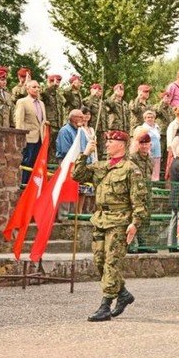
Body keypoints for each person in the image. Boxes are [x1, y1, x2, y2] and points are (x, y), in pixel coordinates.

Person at [72, 130, 146, 322]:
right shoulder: (101, 166)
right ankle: (122, 293)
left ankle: (105, 305)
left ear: (121, 144)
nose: (106, 145)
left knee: (112, 263)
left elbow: (139, 201)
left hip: (120, 222)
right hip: (101, 219)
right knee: (99, 261)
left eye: (110, 141)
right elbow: (76, 175)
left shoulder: (131, 169)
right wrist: (85, 153)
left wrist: (135, 224)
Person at [14, 79, 47, 184]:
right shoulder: (22, 102)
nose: (37, 89)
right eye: (34, 87)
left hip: (40, 138)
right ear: (27, 89)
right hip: (28, 139)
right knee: (26, 163)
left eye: (38, 87)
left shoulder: (41, 103)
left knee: (36, 164)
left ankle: (31, 188)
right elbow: (19, 121)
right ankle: (22, 185)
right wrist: (20, 138)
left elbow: (42, 122)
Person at [128, 132, 156, 254]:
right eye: (142, 144)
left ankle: (143, 244)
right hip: (135, 192)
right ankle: (131, 244)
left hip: (147, 192)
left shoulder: (150, 159)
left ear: (150, 145)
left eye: (146, 144)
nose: (144, 146)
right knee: (134, 217)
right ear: (138, 145)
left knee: (146, 217)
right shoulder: (132, 158)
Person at [41, 74, 63, 161]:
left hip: (58, 124)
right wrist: (51, 86)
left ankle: (52, 163)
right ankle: (45, 163)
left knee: (55, 145)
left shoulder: (58, 95)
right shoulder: (45, 93)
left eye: (58, 82)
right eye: (53, 81)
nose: (56, 84)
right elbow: (42, 94)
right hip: (49, 124)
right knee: (47, 145)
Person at [82, 83, 105, 158]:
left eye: (99, 89)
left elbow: (104, 116)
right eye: (95, 89)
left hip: (101, 129)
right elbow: (85, 112)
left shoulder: (102, 102)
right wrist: (92, 96)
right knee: (91, 147)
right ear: (91, 90)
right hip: (92, 128)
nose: (98, 91)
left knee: (100, 149)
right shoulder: (87, 100)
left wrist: (105, 129)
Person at [140, 111, 162, 181]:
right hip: (148, 151)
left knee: (156, 169)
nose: (150, 119)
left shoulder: (157, 127)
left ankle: (155, 183)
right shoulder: (143, 128)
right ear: (145, 119)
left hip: (157, 151)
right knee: (148, 168)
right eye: (148, 117)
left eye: (152, 117)